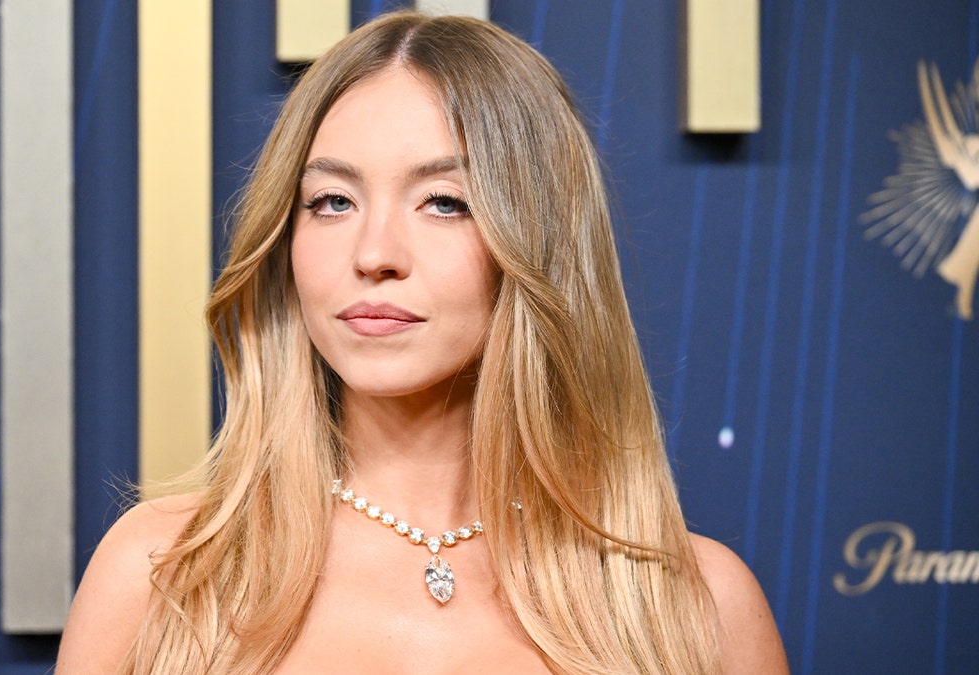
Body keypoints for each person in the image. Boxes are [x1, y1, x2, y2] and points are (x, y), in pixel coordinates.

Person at [56, 11, 788, 674]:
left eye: (444, 202)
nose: (375, 252)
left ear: (537, 242)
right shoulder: (159, 576)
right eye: (332, 201)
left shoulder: (700, 608)